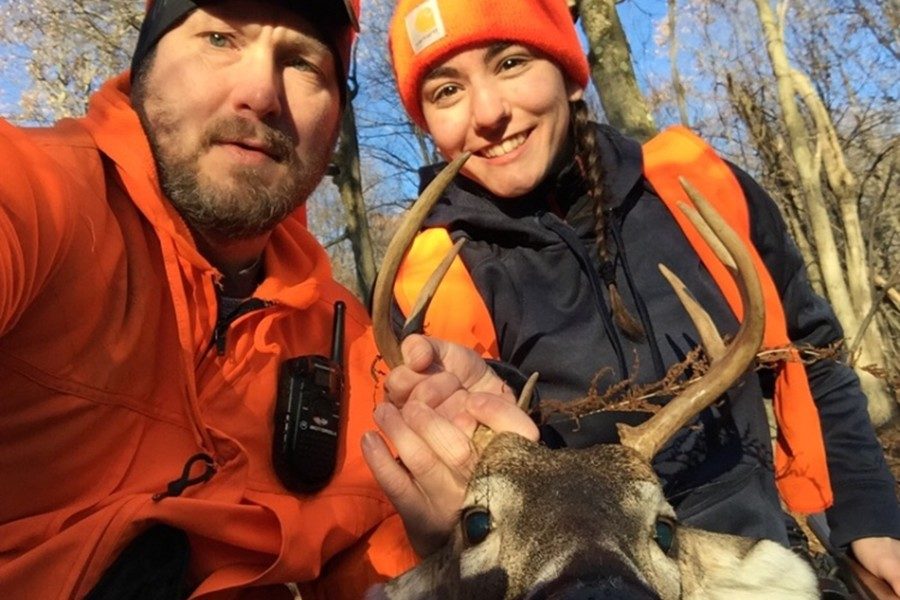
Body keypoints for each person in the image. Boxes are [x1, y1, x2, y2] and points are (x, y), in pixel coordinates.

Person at [360, 0, 900, 593]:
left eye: (511, 62)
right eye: (445, 91)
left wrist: (869, 519)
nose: (488, 112)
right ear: (427, 124)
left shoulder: (698, 185)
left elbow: (811, 355)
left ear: (568, 71)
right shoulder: (427, 273)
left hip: (735, 564)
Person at [0, 1, 427, 597]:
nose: (259, 93)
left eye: (302, 62)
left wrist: (442, 539)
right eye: (221, 39)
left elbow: (371, 557)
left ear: (336, 113)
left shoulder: (357, 348)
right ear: (145, 63)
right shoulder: (37, 195)